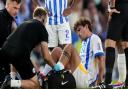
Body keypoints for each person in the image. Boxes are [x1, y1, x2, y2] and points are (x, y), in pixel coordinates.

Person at [0, 7, 62, 89]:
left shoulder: (24, 23)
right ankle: (11, 83)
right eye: (46, 21)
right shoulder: (42, 28)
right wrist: (56, 67)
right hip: (18, 54)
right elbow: (46, 57)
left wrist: (13, 74)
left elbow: (14, 48)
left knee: (20, 75)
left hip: (4, 50)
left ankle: (11, 78)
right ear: (43, 18)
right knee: (35, 85)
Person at [41, 17, 105, 88]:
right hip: (80, 76)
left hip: (86, 80)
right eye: (76, 32)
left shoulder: (94, 38)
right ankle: (43, 78)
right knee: (57, 50)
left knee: (70, 47)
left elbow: (101, 59)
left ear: (86, 26)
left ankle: (58, 72)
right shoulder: (84, 43)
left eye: (79, 30)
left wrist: (100, 81)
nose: (78, 34)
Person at [98, 0, 128, 88]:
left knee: (109, 43)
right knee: (126, 45)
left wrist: (112, 7)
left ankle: (107, 82)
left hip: (118, 8)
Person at [0, 0, 21, 84]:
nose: (16, 11)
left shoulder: (12, 20)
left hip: (6, 65)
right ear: (7, 4)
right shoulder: (1, 16)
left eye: (18, 8)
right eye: (14, 8)